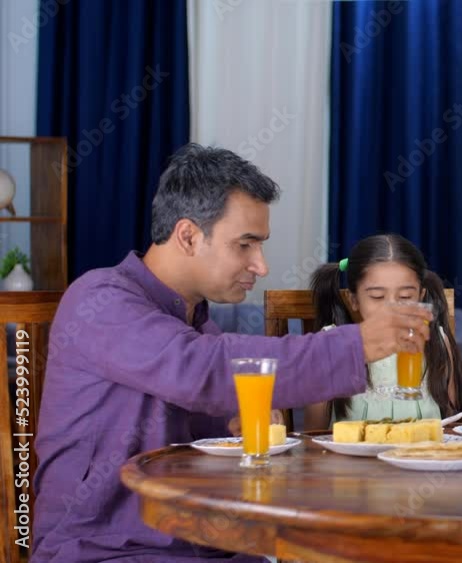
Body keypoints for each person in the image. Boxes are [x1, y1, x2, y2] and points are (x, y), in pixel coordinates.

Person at [32, 144, 432, 562]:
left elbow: (209, 401)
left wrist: (238, 424)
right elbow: (200, 369)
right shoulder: (100, 299)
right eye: (245, 245)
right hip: (102, 549)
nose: (261, 266)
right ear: (188, 235)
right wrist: (361, 342)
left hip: (201, 542)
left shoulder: (197, 320)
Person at [303, 234, 462, 428]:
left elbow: (452, 430)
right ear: (354, 299)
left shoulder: (437, 342)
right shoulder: (333, 346)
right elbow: (313, 438)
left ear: (421, 296)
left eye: (405, 296)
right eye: (377, 297)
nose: (392, 309)